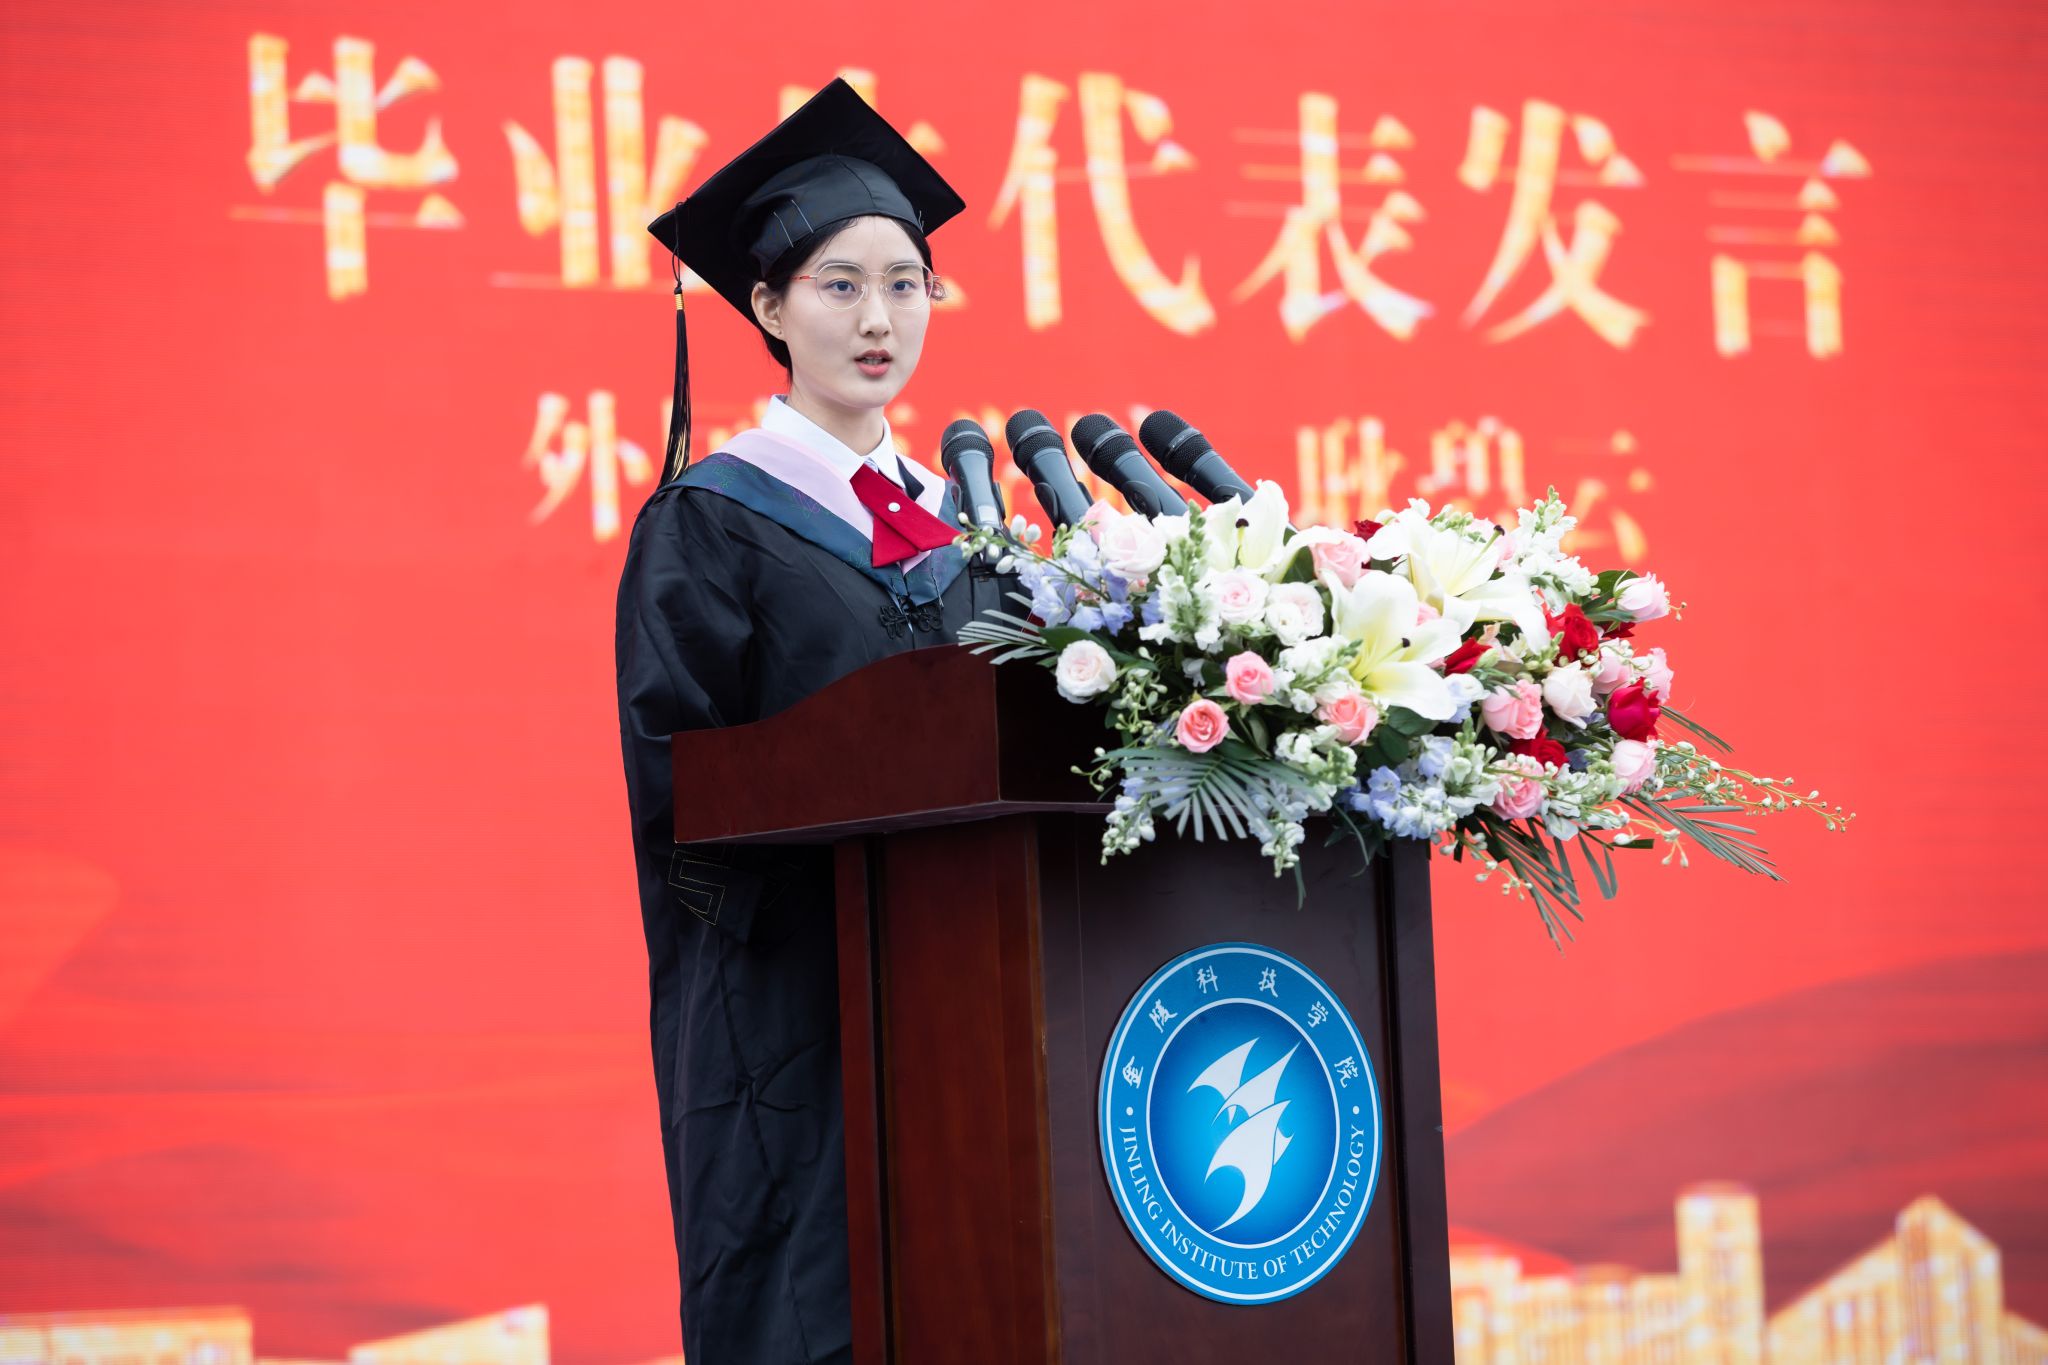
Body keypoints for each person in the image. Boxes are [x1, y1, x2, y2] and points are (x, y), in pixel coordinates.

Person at [613, 80, 991, 1364]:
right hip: (792, 1000)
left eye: (904, 284)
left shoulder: (963, 521)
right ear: (768, 308)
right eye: (839, 286)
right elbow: (681, 780)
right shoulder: (712, 520)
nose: (878, 319)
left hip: (968, 977)